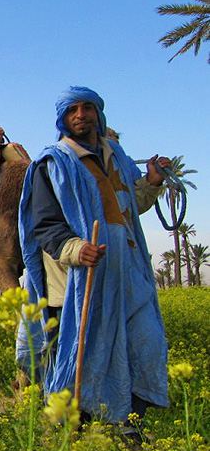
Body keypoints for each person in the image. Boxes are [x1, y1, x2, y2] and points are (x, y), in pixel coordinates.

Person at [17, 85, 170, 432]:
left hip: (126, 274)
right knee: (81, 356)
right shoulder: (51, 163)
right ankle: (74, 427)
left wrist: (153, 183)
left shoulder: (116, 156)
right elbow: (43, 223)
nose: (81, 115)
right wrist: (74, 248)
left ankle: (129, 419)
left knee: (147, 342)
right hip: (77, 278)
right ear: (63, 118)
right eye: (73, 110)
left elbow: (129, 207)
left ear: (98, 114)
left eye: (87, 108)